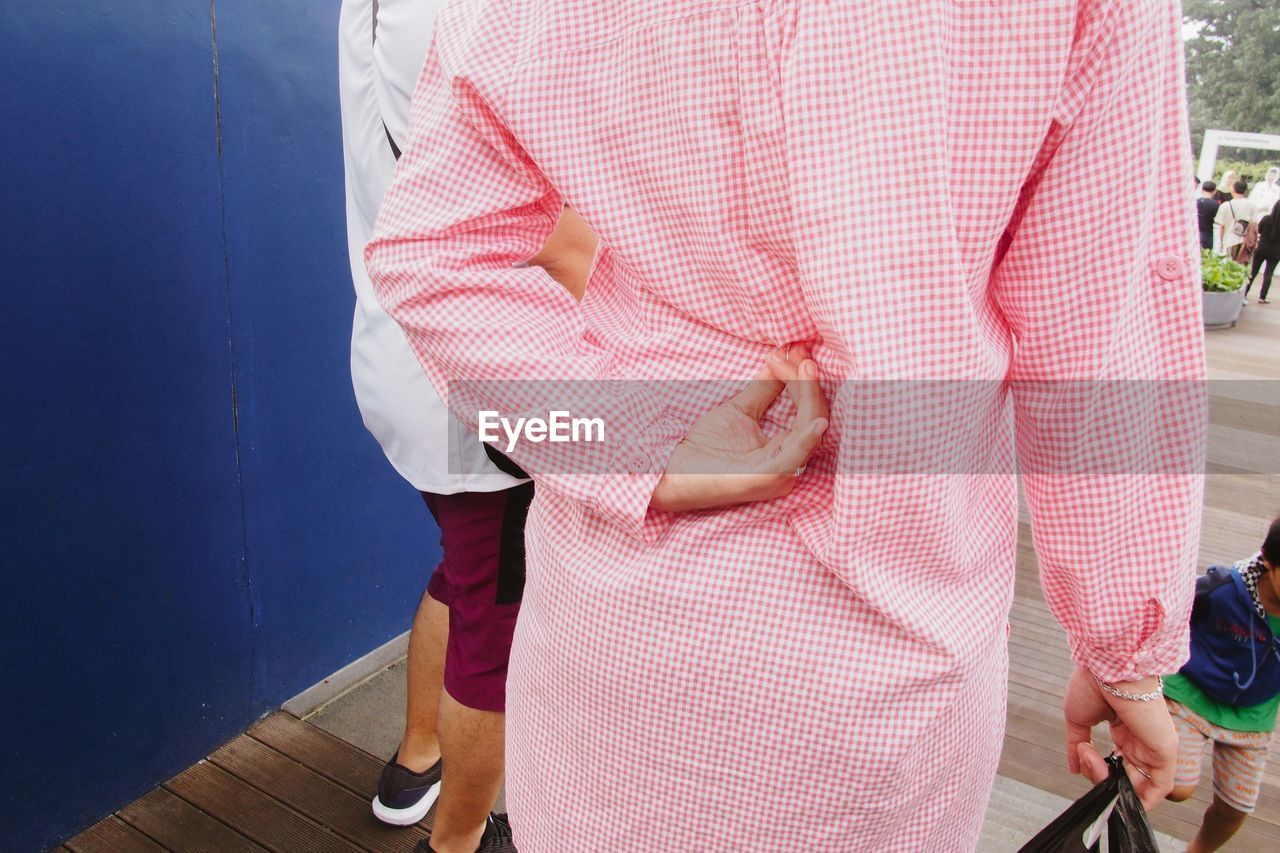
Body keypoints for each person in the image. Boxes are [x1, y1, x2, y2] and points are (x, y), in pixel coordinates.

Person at [366, 1, 1205, 848]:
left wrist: (630, 444)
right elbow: (1106, 328)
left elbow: (434, 252)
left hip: (616, 638)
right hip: (890, 662)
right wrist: (1125, 650)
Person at [338, 2, 596, 852]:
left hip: (399, 356)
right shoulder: (473, 16)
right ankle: (456, 841)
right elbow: (554, 234)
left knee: (467, 571)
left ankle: (418, 761)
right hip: (480, 378)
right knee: (498, 630)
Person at [1164, 517, 1280, 853]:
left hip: (1252, 712)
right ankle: (1133, 750)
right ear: (1269, 562)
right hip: (1190, 691)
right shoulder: (1221, 587)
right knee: (1177, 787)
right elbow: (1172, 614)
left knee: (1235, 808)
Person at [1244, 199, 1280, 304]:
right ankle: (1262, 297)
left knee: (1253, 271)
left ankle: (1245, 293)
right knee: (1269, 273)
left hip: (1261, 248)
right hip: (1276, 251)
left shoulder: (1266, 218)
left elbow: (1258, 231)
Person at [1215, 180, 1256, 261]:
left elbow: (1222, 226)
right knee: (1241, 266)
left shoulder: (1225, 205)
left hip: (1229, 240)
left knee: (1230, 265)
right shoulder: (1252, 205)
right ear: (1245, 191)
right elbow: (1254, 224)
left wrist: (1221, 242)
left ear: (1232, 190)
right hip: (1245, 241)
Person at [1197, 181, 1220, 251]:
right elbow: (1217, 220)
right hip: (1207, 234)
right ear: (1214, 191)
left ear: (1202, 189)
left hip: (1195, 233)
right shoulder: (1215, 204)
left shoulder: (1195, 202)